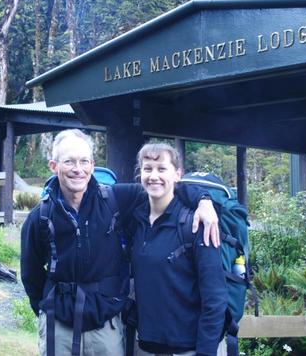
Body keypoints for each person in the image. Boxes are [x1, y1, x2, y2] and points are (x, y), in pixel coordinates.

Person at [20, 129, 219, 356]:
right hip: (59, 323)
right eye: (69, 162)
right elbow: (30, 274)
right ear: (54, 166)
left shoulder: (115, 198)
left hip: (107, 324)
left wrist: (204, 200)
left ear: (93, 165)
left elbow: (163, 186)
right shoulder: (40, 216)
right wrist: (45, 309)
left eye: (84, 161)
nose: (78, 169)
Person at [131, 143, 227, 356]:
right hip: (147, 346)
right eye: (148, 169)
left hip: (190, 348)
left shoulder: (197, 224)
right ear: (140, 174)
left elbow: (215, 299)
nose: (154, 176)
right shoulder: (136, 219)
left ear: (177, 174)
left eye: (162, 169)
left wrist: (205, 353)